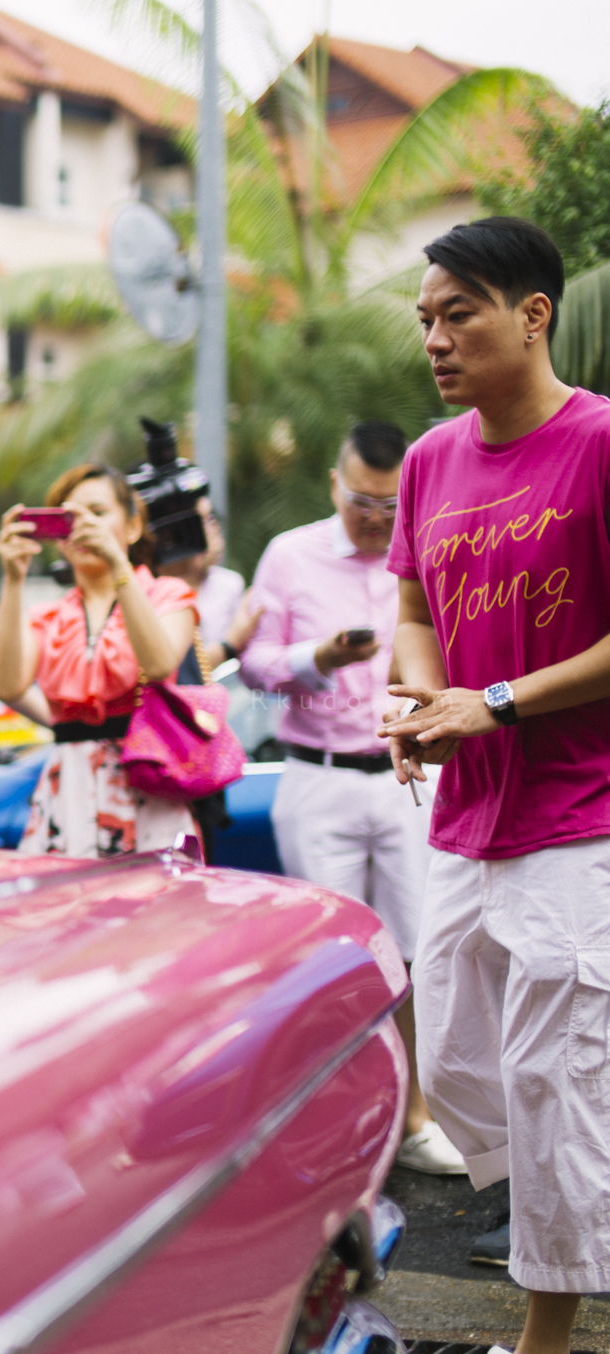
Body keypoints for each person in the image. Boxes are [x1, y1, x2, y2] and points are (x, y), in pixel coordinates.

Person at [379, 216, 610, 1354]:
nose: (434, 337)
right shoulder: (429, 461)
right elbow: (414, 608)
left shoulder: (602, 442)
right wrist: (421, 697)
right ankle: (582, 1191)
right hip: (466, 818)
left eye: (457, 311)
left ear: (532, 313)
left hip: (582, 813)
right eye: (424, 317)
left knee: (551, 1076)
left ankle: (547, 1353)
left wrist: (499, 701)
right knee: (466, 1067)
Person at [242, 420, 466, 1178]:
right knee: (330, 956)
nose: (373, 517)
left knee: (416, 947)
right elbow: (252, 666)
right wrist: (320, 657)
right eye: (361, 501)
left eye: (388, 504)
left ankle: (416, 1118)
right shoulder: (290, 553)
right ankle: (338, 1122)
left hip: (410, 776)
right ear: (335, 484)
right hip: (319, 773)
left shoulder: (430, 549)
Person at [0, 463, 199, 857]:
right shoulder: (47, 616)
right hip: (67, 789)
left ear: (133, 527)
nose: (84, 527)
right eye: (71, 518)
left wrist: (119, 564)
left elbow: (158, 665)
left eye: (98, 513)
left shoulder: (168, 595)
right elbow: (5, 685)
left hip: (147, 787)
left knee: (151, 897)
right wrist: (13, 579)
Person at [157, 495, 246, 676]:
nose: (213, 529)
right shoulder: (147, 589)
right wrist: (228, 646)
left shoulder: (229, 584)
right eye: (202, 522)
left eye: (212, 520)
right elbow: (169, 673)